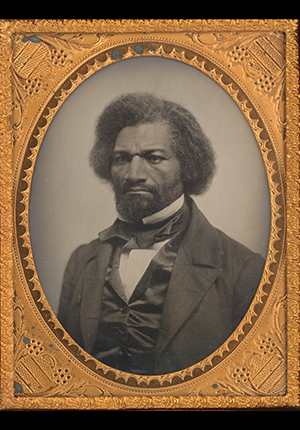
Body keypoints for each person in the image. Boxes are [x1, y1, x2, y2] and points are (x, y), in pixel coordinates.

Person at [57, 92, 265, 375]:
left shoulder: (242, 269)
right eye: (121, 158)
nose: (133, 174)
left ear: (187, 165)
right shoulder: (82, 261)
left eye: (153, 158)